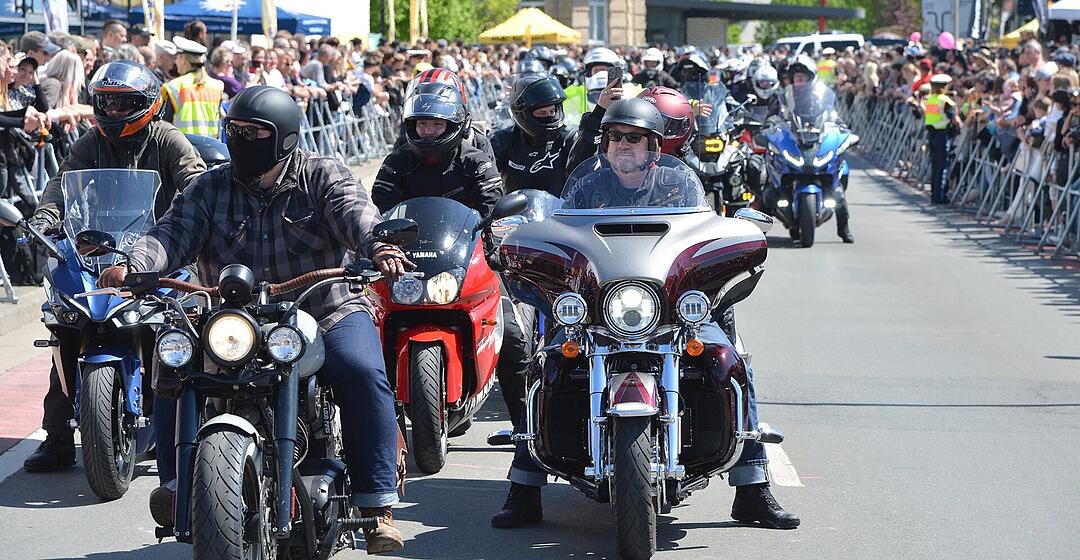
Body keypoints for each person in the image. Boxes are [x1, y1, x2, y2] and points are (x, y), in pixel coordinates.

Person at [97, 86, 410, 554]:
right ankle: (177, 484)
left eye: (255, 133)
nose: (242, 140)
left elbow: (356, 213)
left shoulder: (322, 176)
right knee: (172, 363)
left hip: (321, 308)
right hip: (231, 318)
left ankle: (375, 505)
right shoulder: (208, 188)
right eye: (235, 131)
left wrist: (378, 245)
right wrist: (137, 264)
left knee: (362, 370)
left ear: (283, 139)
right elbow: (170, 232)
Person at [492, 98, 800, 531]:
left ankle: (752, 489)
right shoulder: (587, 189)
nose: (623, 145)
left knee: (731, 363)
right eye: (614, 136)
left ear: (654, 145)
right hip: (599, 309)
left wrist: (733, 239)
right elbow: (560, 225)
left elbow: (706, 228)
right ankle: (523, 490)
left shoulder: (679, 187)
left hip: (671, 308)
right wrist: (524, 238)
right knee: (546, 364)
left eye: (634, 137)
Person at [21, 61, 206, 475]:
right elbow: (60, 183)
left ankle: (185, 431)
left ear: (146, 104)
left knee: (182, 333)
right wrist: (45, 218)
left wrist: (193, 214)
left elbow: (195, 182)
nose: (114, 111)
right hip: (99, 250)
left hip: (158, 252)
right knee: (66, 326)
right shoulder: (90, 141)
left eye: (124, 104)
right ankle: (57, 438)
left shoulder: (168, 140)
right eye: (106, 102)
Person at [372, 78, 502, 215]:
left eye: (437, 124)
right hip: (409, 236)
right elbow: (381, 211)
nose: (428, 131)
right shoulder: (395, 163)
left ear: (454, 125)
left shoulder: (477, 164)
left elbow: (492, 213)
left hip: (467, 236)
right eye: (422, 123)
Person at [771, 54, 854, 243]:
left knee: (838, 185)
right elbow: (773, 116)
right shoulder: (783, 97)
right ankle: (757, 231)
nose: (799, 79)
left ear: (810, 77)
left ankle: (844, 229)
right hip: (794, 142)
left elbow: (833, 115)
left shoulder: (820, 97)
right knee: (769, 178)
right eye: (796, 76)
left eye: (802, 76)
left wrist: (842, 128)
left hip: (814, 142)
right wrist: (770, 127)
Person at [162, 36, 224, 138]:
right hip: (210, 148)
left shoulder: (174, 86)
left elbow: (164, 124)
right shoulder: (217, 86)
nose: (175, 62)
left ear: (183, 58)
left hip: (182, 149)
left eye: (177, 57)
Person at [922, 74, 961, 204]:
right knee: (942, 166)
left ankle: (934, 195)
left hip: (931, 133)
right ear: (944, 86)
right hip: (942, 134)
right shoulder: (945, 100)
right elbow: (954, 118)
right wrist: (959, 126)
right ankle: (941, 196)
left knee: (935, 165)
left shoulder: (930, 99)